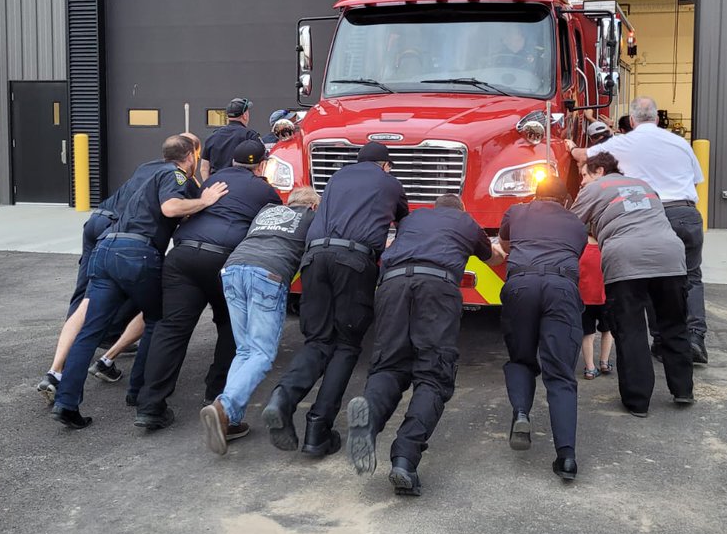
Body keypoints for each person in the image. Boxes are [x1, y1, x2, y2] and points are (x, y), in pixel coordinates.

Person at [51, 136, 228, 429]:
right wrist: (206, 200)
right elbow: (171, 208)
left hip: (106, 249)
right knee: (158, 320)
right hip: (137, 254)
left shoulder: (146, 171)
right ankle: (138, 394)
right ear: (190, 157)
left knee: (90, 332)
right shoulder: (176, 174)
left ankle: (66, 402)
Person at [344, 194, 504, 496]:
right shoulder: (465, 222)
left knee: (389, 365)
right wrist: (501, 250)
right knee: (433, 373)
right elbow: (492, 258)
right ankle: (404, 459)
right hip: (436, 287)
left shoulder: (412, 220)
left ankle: (368, 422)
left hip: (391, 284)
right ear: (462, 210)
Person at [262, 141, 409, 458]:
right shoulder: (389, 182)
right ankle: (317, 430)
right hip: (353, 261)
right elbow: (404, 222)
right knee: (345, 344)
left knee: (317, 341)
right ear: (385, 165)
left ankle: (282, 399)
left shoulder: (337, 178)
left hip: (314, 258)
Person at [134, 138, 280, 431]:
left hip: (182, 255)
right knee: (229, 327)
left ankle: (150, 407)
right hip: (223, 261)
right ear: (261, 165)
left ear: (233, 163)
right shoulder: (266, 191)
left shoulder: (212, 181)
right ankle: (216, 397)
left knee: (171, 330)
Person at [571, 96, 709, 364]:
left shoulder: (624, 142)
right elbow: (696, 179)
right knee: (691, 277)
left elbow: (584, 156)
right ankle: (694, 338)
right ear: (657, 119)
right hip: (687, 214)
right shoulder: (680, 143)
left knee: (651, 278)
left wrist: (571, 146)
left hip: (649, 214)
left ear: (632, 121)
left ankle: (659, 340)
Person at [199, 186, 321, 454]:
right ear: (312, 206)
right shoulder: (312, 218)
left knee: (244, 351)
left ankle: (229, 420)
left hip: (232, 270)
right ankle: (224, 407)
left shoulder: (265, 212)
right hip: (268, 274)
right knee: (262, 354)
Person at [571, 151, 694, 416]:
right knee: (674, 324)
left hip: (626, 261)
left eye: (583, 175)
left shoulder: (595, 189)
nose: (581, 182)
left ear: (599, 171)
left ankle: (637, 401)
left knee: (631, 329)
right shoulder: (644, 185)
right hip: (670, 257)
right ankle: (683, 390)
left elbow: (569, 226)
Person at [498, 173, 588, 482]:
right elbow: (574, 253)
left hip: (521, 283)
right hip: (561, 288)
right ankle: (566, 458)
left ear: (535, 195)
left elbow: (506, 244)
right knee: (560, 373)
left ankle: (521, 412)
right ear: (566, 201)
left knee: (522, 358)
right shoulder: (576, 223)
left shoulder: (517, 211)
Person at [200, 97, 260, 181]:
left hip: (217, 187)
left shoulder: (212, 137)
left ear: (228, 116)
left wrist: (209, 186)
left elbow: (204, 168)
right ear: (245, 116)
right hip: (242, 185)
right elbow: (261, 164)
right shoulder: (250, 136)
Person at [578, 235, 613, 378]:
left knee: (587, 334)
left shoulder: (579, 249)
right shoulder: (606, 247)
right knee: (608, 331)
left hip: (584, 298)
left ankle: (590, 368)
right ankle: (604, 362)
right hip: (605, 296)